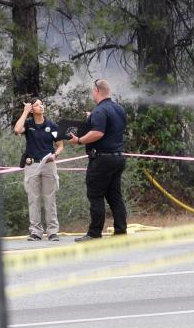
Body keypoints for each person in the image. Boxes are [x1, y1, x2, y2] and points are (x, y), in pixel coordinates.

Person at [68, 79, 127, 241]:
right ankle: (121, 231)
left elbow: (98, 133)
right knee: (115, 196)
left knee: (96, 196)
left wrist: (78, 140)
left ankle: (94, 233)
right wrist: (92, 117)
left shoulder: (100, 111)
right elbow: (111, 127)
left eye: (92, 91)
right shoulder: (119, 109)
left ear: (96, 90)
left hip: (102, 160)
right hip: (118, 158)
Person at [14, 98, 64, 241]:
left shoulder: (52, 125)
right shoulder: (28, 124)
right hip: (32, 165)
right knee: (33, 199)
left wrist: (55, 155)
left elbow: (60, 145)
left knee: (50, 198)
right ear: (32, 109)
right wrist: (25, 112)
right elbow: (17, 129)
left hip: (48, 164)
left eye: (41, 104)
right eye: (36, 105)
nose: (40, 106)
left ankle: (52, 231)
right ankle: (35, 231)